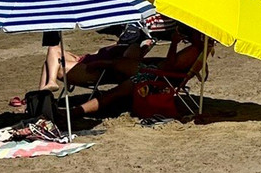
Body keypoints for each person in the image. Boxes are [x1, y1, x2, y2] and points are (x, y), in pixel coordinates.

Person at [75, 29, 211, 117]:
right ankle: (105, 64)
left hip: (155, 76)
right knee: (122, 63)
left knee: (113, 92)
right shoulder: (200, 48)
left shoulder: (193, 50)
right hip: (155, 71)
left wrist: (174, 43)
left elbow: (170, 65)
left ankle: (78, 111)